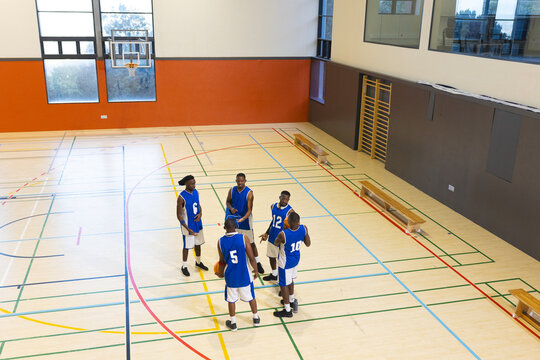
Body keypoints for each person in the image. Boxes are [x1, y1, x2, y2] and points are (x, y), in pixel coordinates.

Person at [216, 218, 260, 331]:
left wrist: (220, 273)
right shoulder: (243, 238)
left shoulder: (220, 242)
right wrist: (256, 270)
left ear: (224, 228)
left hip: (231, 277)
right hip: (244, 275)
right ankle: (255, 318)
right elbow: (251, 257)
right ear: (235, 226)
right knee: (251, 297)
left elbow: (222, 261)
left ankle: (233, 323)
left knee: (231, 300)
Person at [273, 212, 310, 318]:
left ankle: (287, 310)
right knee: (290, 280)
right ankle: (291, 300)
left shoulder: (283, 234)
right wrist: (304, 233)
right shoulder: (304, 228)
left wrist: (284, 229)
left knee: (283, 284)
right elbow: (308, 244)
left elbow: (276, 243)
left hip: (285, 263)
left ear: (288, 222)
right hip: (295, 259)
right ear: (299, 222)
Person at [226, 173, 265, 274]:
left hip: (245, 220)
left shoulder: (249, 193)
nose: (240, 183)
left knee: (251, 243)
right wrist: (231, 208)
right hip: (235, 219)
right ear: (236, 181)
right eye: (238, 181)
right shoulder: (232, 190)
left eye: (242, 181)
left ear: (245, 181)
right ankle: (237, 261)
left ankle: (257, 262)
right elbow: (228, 202)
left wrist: (243, 219)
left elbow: (249, 210)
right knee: (236, 242)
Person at [177, 175, 208, 276]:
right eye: (191, 184)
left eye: (194, 183)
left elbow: (199, 205)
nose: (194, 185)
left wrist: (200, 214)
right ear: (186, 184)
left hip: (197, 223)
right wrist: (187, 228)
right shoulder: (181, 197)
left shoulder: (196, 192)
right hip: (188, 226)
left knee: (198, 244)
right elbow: (179, 215)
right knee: (187, 246)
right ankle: (184, 266)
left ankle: (198, 262)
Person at [259, 190, 294, 281]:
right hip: (272, 237)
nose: (284, 200)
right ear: (280, 197)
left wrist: (288, 240)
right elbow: (273, 221)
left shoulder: (290, 212)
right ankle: (274, 275)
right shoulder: (273, 206)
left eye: (287, 199)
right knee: (271, 257)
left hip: (281, 240)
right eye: (283, 198)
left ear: (289, 200)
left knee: (282, 262)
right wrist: (267, 233)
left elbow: (293, 227)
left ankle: (282, 283)